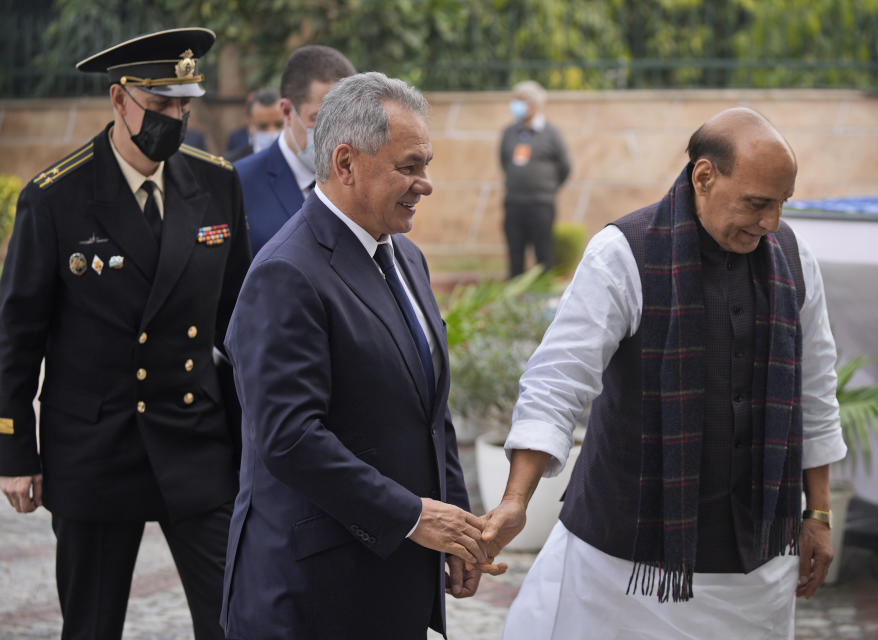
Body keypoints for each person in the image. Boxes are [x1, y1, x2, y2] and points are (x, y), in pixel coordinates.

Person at [482, 107, 847, 639]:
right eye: (757, 203)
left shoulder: (794, 257)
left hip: (755, 566)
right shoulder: (622, 253)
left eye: (781, 205)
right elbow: (557, 383)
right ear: (704, 177)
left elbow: (815, 391)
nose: (770, 222)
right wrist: (517, 501)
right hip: (622, 561)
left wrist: (818, 512)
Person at [220, 71, 503, 639]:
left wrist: (460, 528)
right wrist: (415, 517)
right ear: (345, 163)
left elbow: (430, 413)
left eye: (427, 164)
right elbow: (291, 437)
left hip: (393, 579)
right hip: (313, 594)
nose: (425, 184)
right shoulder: (286, 272)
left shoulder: (407, 257)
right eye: (408, 166)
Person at [0, 28, 250, 640]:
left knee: (234, 619)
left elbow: (240, 322)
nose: (175, 119)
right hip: (96, 445)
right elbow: (17, 336)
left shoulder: (217, 184)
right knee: (91, 626)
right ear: (119, 100)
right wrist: (13, 452)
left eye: (184, 106)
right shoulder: (56, 197)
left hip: (194, 438)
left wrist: (255, 436)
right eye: (160, 106)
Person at [234, 45, 355, 256]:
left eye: (347, 120)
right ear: (287, 112)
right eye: (320, 119)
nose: (337, 134)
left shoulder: (361, 180)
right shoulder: (238, 184)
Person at [499, 80, 570, 278]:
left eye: (522, 101)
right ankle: (515, 301)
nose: (517, 106)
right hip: (514, 203)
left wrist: (547, 188)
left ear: (536, 104)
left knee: (544, 254)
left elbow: (565, 167)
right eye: (516, 100)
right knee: (515, 255)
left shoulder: (551, 133)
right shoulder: (509, 132)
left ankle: (544, 301)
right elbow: (504, 162)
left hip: (541, 204)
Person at [223, 88, 284, 162]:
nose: (272, 132)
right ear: (249, 124)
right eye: (263, 126)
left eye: (279, 125)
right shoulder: (232, 164)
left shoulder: (298, 163)